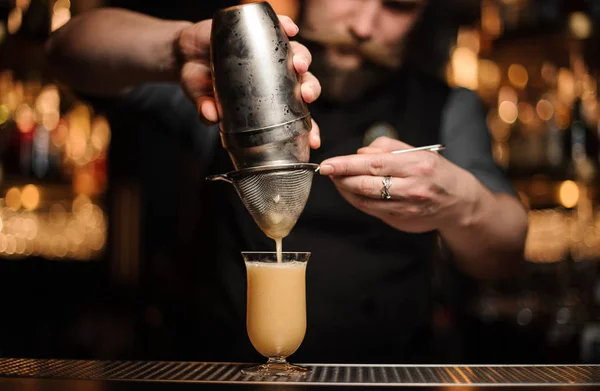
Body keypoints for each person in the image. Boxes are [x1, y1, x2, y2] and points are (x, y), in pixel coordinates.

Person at [45, 0, 528, 363]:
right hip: (223, 373)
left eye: (397, 5)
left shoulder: (447, 108)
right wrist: (177, 50)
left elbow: (505, 254)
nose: (363, 25)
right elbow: (65, 52)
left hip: (385, 377)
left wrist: (461, 205)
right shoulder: (231, 86)